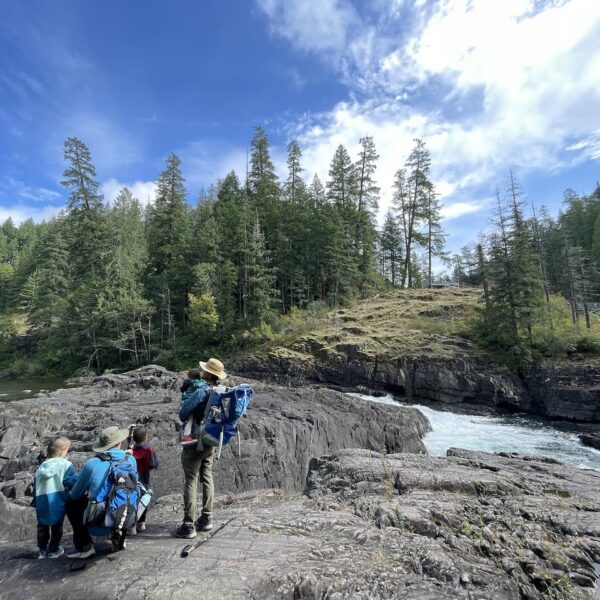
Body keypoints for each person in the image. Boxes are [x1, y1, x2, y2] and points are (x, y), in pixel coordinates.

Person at [66, 426, 138, 558]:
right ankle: (119, 540)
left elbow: (76, 494)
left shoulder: (92, 463)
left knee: (71, 503)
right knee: (129, 494)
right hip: (126, 517)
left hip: (98, 523)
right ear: (119, 442)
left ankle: (85, 547)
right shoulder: (131, 460)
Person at [175, 357, 226, 539]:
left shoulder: (201, 391)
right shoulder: (220, 391)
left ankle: (188, 525)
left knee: (191, 480)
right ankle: (206, 518)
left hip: (196, 440)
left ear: (207, 374)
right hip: (211, 439)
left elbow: (183, 414)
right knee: (207, 475)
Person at [33, 437, 78, 559]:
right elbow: (72, 482)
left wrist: (35, 502)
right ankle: (54, 550)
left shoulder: (41, 467)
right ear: (62, 452)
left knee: (42, 525)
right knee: (57, 525)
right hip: (57, 499)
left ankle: (42, 551)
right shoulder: (65, 464)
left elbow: (35, 485)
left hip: (41, 500)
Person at [128, 426, 158, 534]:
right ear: (146, 437)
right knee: (144, 498)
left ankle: (131, 525)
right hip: (145, 477)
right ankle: (141, 523)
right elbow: (154, 463)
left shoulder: (132, 450)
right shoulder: (149, 449)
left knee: (133, 498)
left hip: (133, 477)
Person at [180, 368, 207, 446]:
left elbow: (182, 390)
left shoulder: (187, 382)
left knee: (190, 420)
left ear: (189, 376)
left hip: (186, 403)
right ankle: (187, 435)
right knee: (191, 419)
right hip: (192, 403)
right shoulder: (200, 383)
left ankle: (188, 434)